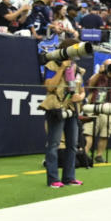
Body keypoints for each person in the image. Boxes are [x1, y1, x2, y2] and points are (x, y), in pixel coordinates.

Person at [39, 39, 85, 188]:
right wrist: (61, 69)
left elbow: (82, 91)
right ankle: (53, 179)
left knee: (72, 145)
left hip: (72, 108)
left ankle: (69, 177)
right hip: (56, 108)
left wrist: (80, 97)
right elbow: (49, 87)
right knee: (54, 144)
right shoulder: (52, 64)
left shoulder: (77, 69)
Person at [83, 58, 111, 163]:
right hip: (94, 107)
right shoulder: (97, 75)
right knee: (89, 132)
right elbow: (89, 86)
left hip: (110, 108)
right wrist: (99, 73)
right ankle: (84, 154)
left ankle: (99, 155)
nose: (110, 69)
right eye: (108, 66)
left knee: (105, 134)